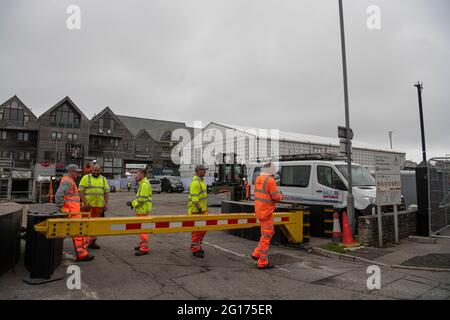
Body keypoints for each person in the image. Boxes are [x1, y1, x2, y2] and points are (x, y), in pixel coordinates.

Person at [55, 164, 94, 262]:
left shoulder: (69, 180)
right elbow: (59, 195)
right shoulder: (68, 181)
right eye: (77, 172)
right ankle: (82, 255)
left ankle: (83, 252)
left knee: (79, 233)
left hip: (73, 212)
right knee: (78, 234)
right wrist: (61, 208)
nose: (78, 174)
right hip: (72, 213)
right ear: (72, 172)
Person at [251, 162, 283, 269]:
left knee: (267, 233)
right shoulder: (270, 180)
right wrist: (281, 196)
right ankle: (262, 262)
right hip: (267, 212)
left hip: (260, 210)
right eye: (274, 169)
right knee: (267, 235)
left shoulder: (259, 178)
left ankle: (257, 253)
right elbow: (275, 196)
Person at [79, 164, 110, 250]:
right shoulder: (86, 178)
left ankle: (92, 242)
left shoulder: (103, 179)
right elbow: (80, 191)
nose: (96, 172)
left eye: (98, 170)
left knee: (95, 226)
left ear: (100, 170)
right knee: (86, 225)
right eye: (94, 170)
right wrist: (85, 202)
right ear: (91, 170)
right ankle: (84, 243)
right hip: (87, 207)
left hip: (98, 206)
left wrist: (106, 204)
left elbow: (106, 192)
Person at [126, 169, 152, 256]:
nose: (135, 176)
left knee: (143, 230)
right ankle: (142, 245)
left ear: (141, 174)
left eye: (136, 174)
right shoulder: (143, 184)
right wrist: (133, 203)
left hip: (142, 210)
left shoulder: (144, 184)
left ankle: (144, 248)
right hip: (142, 210)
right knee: (141, 229)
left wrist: (132, 204)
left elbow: (142, 199)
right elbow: (140, 198)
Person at [188, 165, 208, 258]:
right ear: (198, 171)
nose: (205, 171)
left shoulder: (201, 182)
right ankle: (195, 249)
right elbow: (195, 200)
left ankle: (197, 246)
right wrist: (200, 210)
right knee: (197, 231)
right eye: (203, 170)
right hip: (197, 211)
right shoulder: (195, 183)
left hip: (202, 210)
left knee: (203, 230)